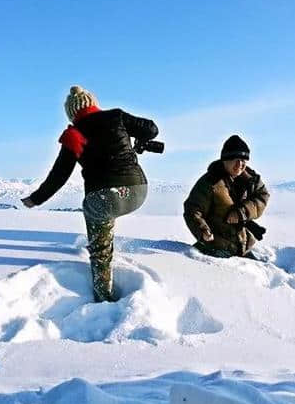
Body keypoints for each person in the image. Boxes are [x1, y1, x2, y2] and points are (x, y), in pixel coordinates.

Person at [21, 85, 159, 302]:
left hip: (108, 197)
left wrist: (36, 199)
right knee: (104, 210)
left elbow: (59, 175)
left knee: (97, 219)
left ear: (71, 113)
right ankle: (102, 240)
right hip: (138, 190)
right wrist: (137, 141)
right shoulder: (116, 116)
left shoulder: (74, 134)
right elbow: (151, 129)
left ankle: (104, 298)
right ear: (93, 104)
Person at [183, 135, 269, 259]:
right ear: (225, 160)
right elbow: (192, 209)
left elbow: (262, 196)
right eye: (236, 160)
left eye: (243, 160)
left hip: (242, 246)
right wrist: (203, 231)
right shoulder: (210, 182)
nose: (240, 164)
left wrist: (242, 212)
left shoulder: (251, 179)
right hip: (215, 248)